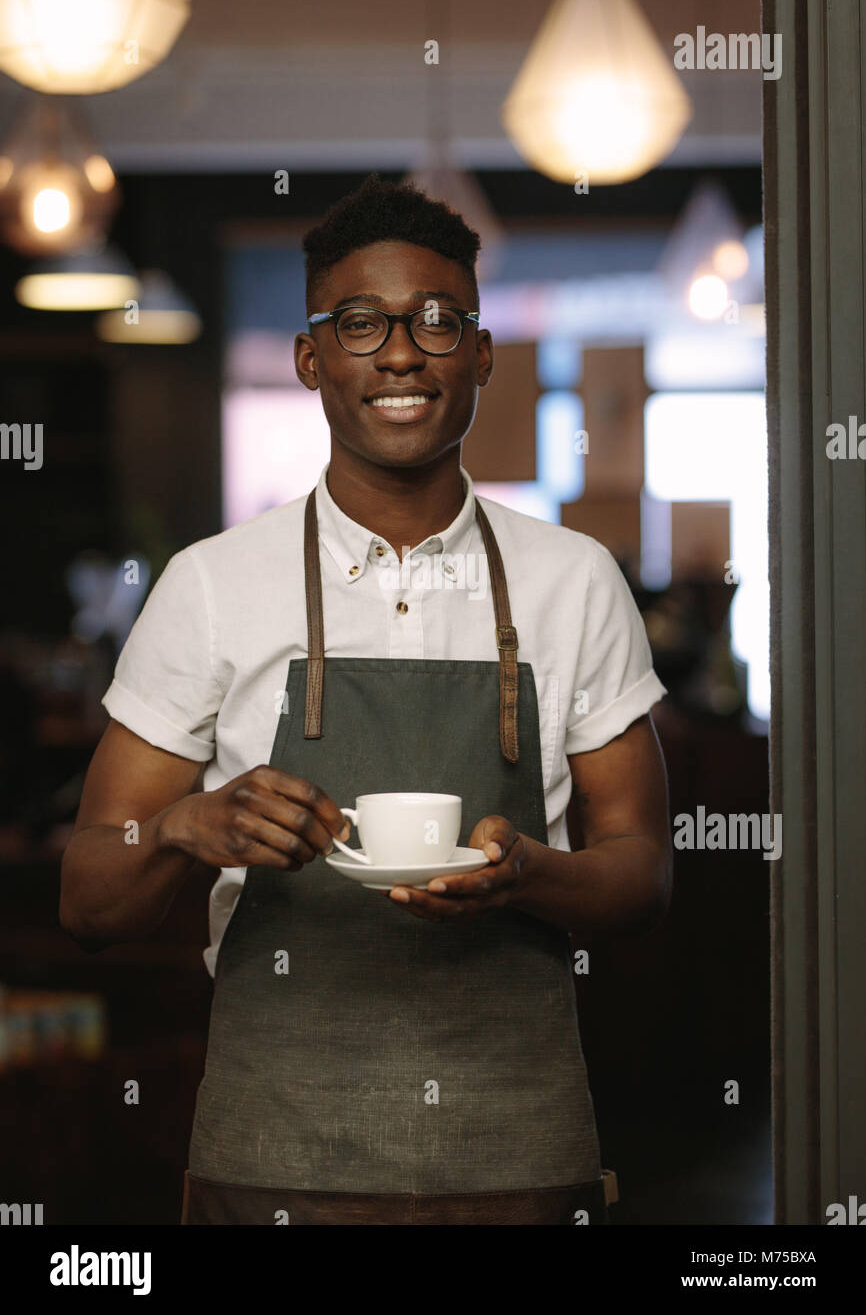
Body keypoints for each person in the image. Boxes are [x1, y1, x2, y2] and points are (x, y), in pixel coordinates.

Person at [60, 174, 672, 1226]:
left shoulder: (574, 581)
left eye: (437, 320)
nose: (399, 351)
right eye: (359, 323)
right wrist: (179, 827)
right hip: (274, 1151)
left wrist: (528, 875)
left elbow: (644, 872)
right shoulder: (210, 584)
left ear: (479, 353)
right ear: (309, 358)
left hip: (514, 1151)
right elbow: (88, 897)